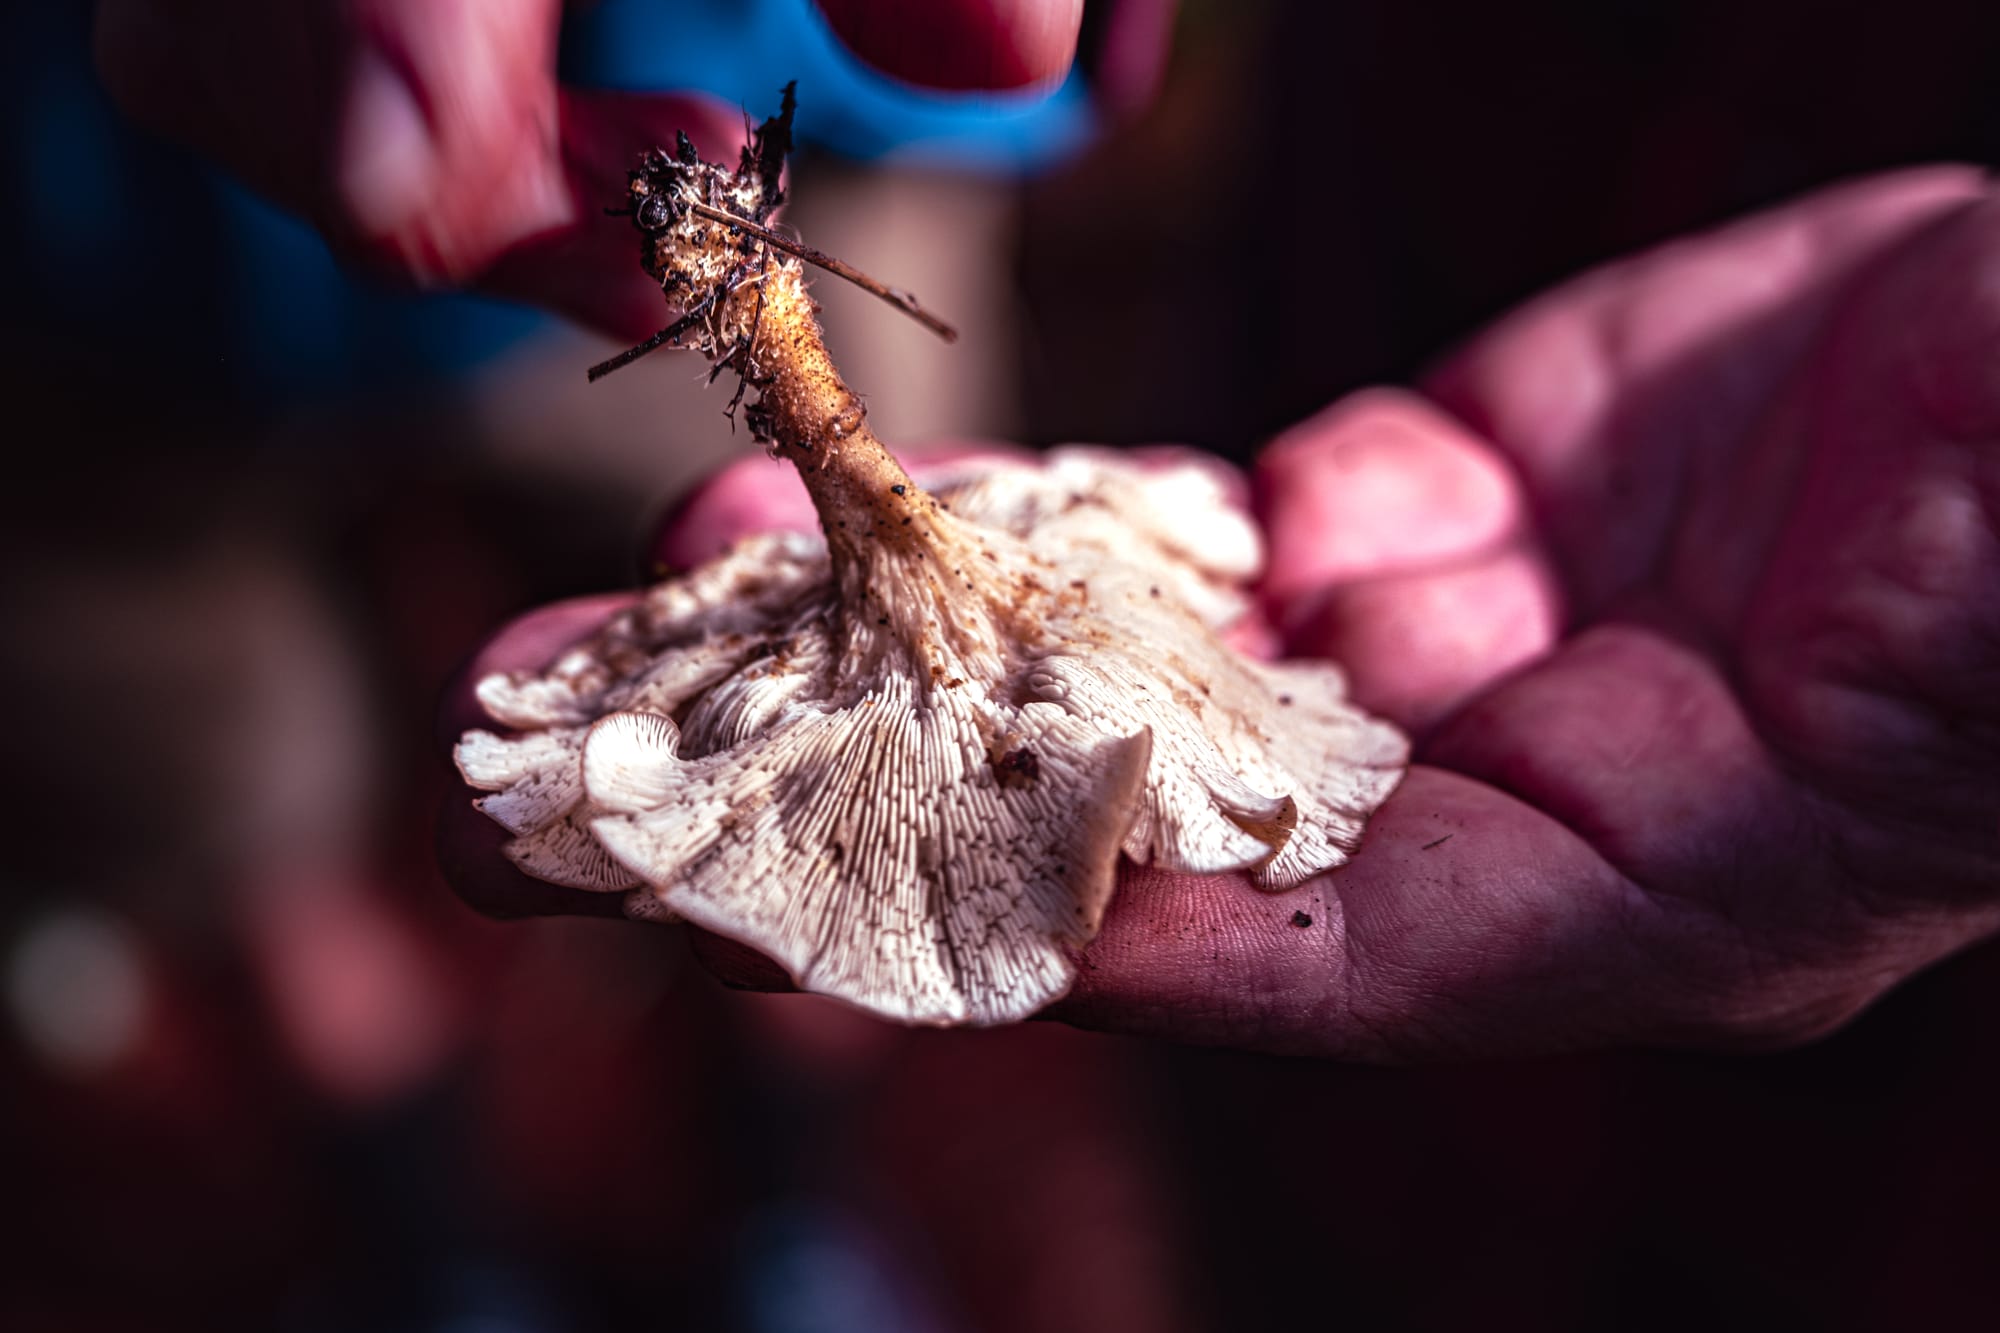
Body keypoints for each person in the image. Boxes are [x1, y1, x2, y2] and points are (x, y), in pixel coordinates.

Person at [101, 0, 2000, 1060]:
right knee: (227, 792)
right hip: (112, 281)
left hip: (831, 117)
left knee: (856, 939)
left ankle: (788, 1188)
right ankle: (422, 1221)